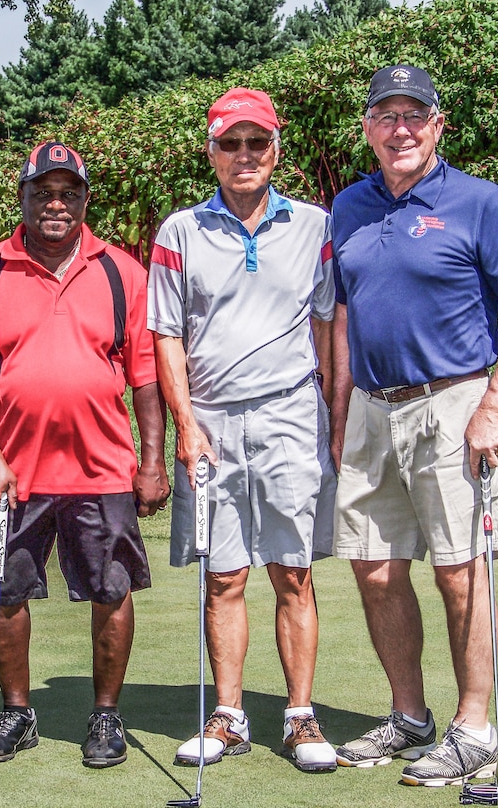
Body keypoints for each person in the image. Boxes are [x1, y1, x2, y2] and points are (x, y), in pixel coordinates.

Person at [328, 65, 498, 786]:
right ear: (367, 128)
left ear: (437, 124)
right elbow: (340, 315)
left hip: (453, 404)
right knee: (375, 569)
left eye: (413, 115)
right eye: (385, 116)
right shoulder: (349, 206)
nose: (400, 128)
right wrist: (339, 414)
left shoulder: (479, 202)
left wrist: (495, 405)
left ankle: (475, 727)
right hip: (369, 406)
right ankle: (410, 716)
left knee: (461, 575)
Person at [0, 141, 170, 769]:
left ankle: (105, 716)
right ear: (23, 197)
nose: (56, 204)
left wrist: (152, 460)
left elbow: (145, 376)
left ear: (86, 201)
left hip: (103, 467)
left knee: (112, 587)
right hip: (13, 472)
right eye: (43, 192)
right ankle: (17, 713)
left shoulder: (123, 272)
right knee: (4, 592)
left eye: (69, 193)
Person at [148, 88, 339, 773]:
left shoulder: (315, 226)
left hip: (291, 414)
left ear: (276, 150)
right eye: (230, 143)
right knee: (224, 577)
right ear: (211, 151)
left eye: (257, 143)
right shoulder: (179, 232)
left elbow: (326, 329)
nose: (244, 156)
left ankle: (300, 717)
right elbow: (165, 335)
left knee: (294, 572)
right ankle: (229, 716)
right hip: (213, 422)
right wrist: (185, 425)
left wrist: (332, 419)